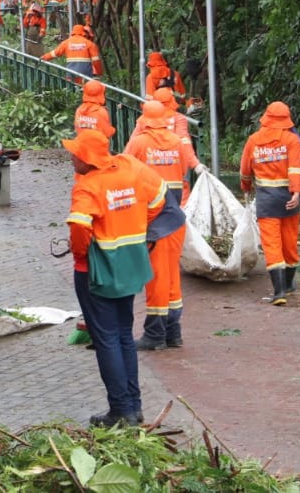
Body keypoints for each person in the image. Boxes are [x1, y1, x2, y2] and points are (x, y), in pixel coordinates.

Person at [64, 128, 166, 427]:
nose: (71, 156)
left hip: (97, 271)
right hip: (131, 264)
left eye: (75, 153)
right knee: (123, 335)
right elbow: (160, 197)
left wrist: (81, 253)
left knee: (106, 338)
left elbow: (80, 228)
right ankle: (134, 407)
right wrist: (137, 226)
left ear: (86, 158)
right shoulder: (129, 168)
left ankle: (120, 411)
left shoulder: (88, 186)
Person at [123, 100, 190, 350]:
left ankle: (155, 335)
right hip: (175, 212)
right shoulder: (176, 141)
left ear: (143, 119)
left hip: (154, 215)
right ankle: (173, 332)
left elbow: (125, 167)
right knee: (172, 275)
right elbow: (184, 171)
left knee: (157, 277)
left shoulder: (140, 142)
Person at [239, 101, 300, 306]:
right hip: (288, 198)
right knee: (289, 241)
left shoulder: (254, 140)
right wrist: (296, 192)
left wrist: (246, 188)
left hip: (267, 199)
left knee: (272, 244)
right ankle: (289, 284)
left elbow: (245, 170)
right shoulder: (292, 140)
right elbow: (295, 168)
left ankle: (279, 292)